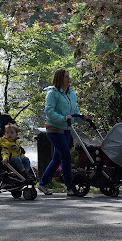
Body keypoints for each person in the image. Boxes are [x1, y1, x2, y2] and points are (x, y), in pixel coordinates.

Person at [39, 68, 81, 196]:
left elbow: (74, 109)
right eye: (66, 77)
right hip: (54, 129)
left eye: (68, 76)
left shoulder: (71, 93)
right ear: (60, 79)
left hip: (67, 129)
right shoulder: (53, 93)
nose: (69, 79)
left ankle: (43, 183)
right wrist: (63, 118)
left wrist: (80, 116)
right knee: (66, 156)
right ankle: (69, 187)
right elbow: (49, 111)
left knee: (57, 159)